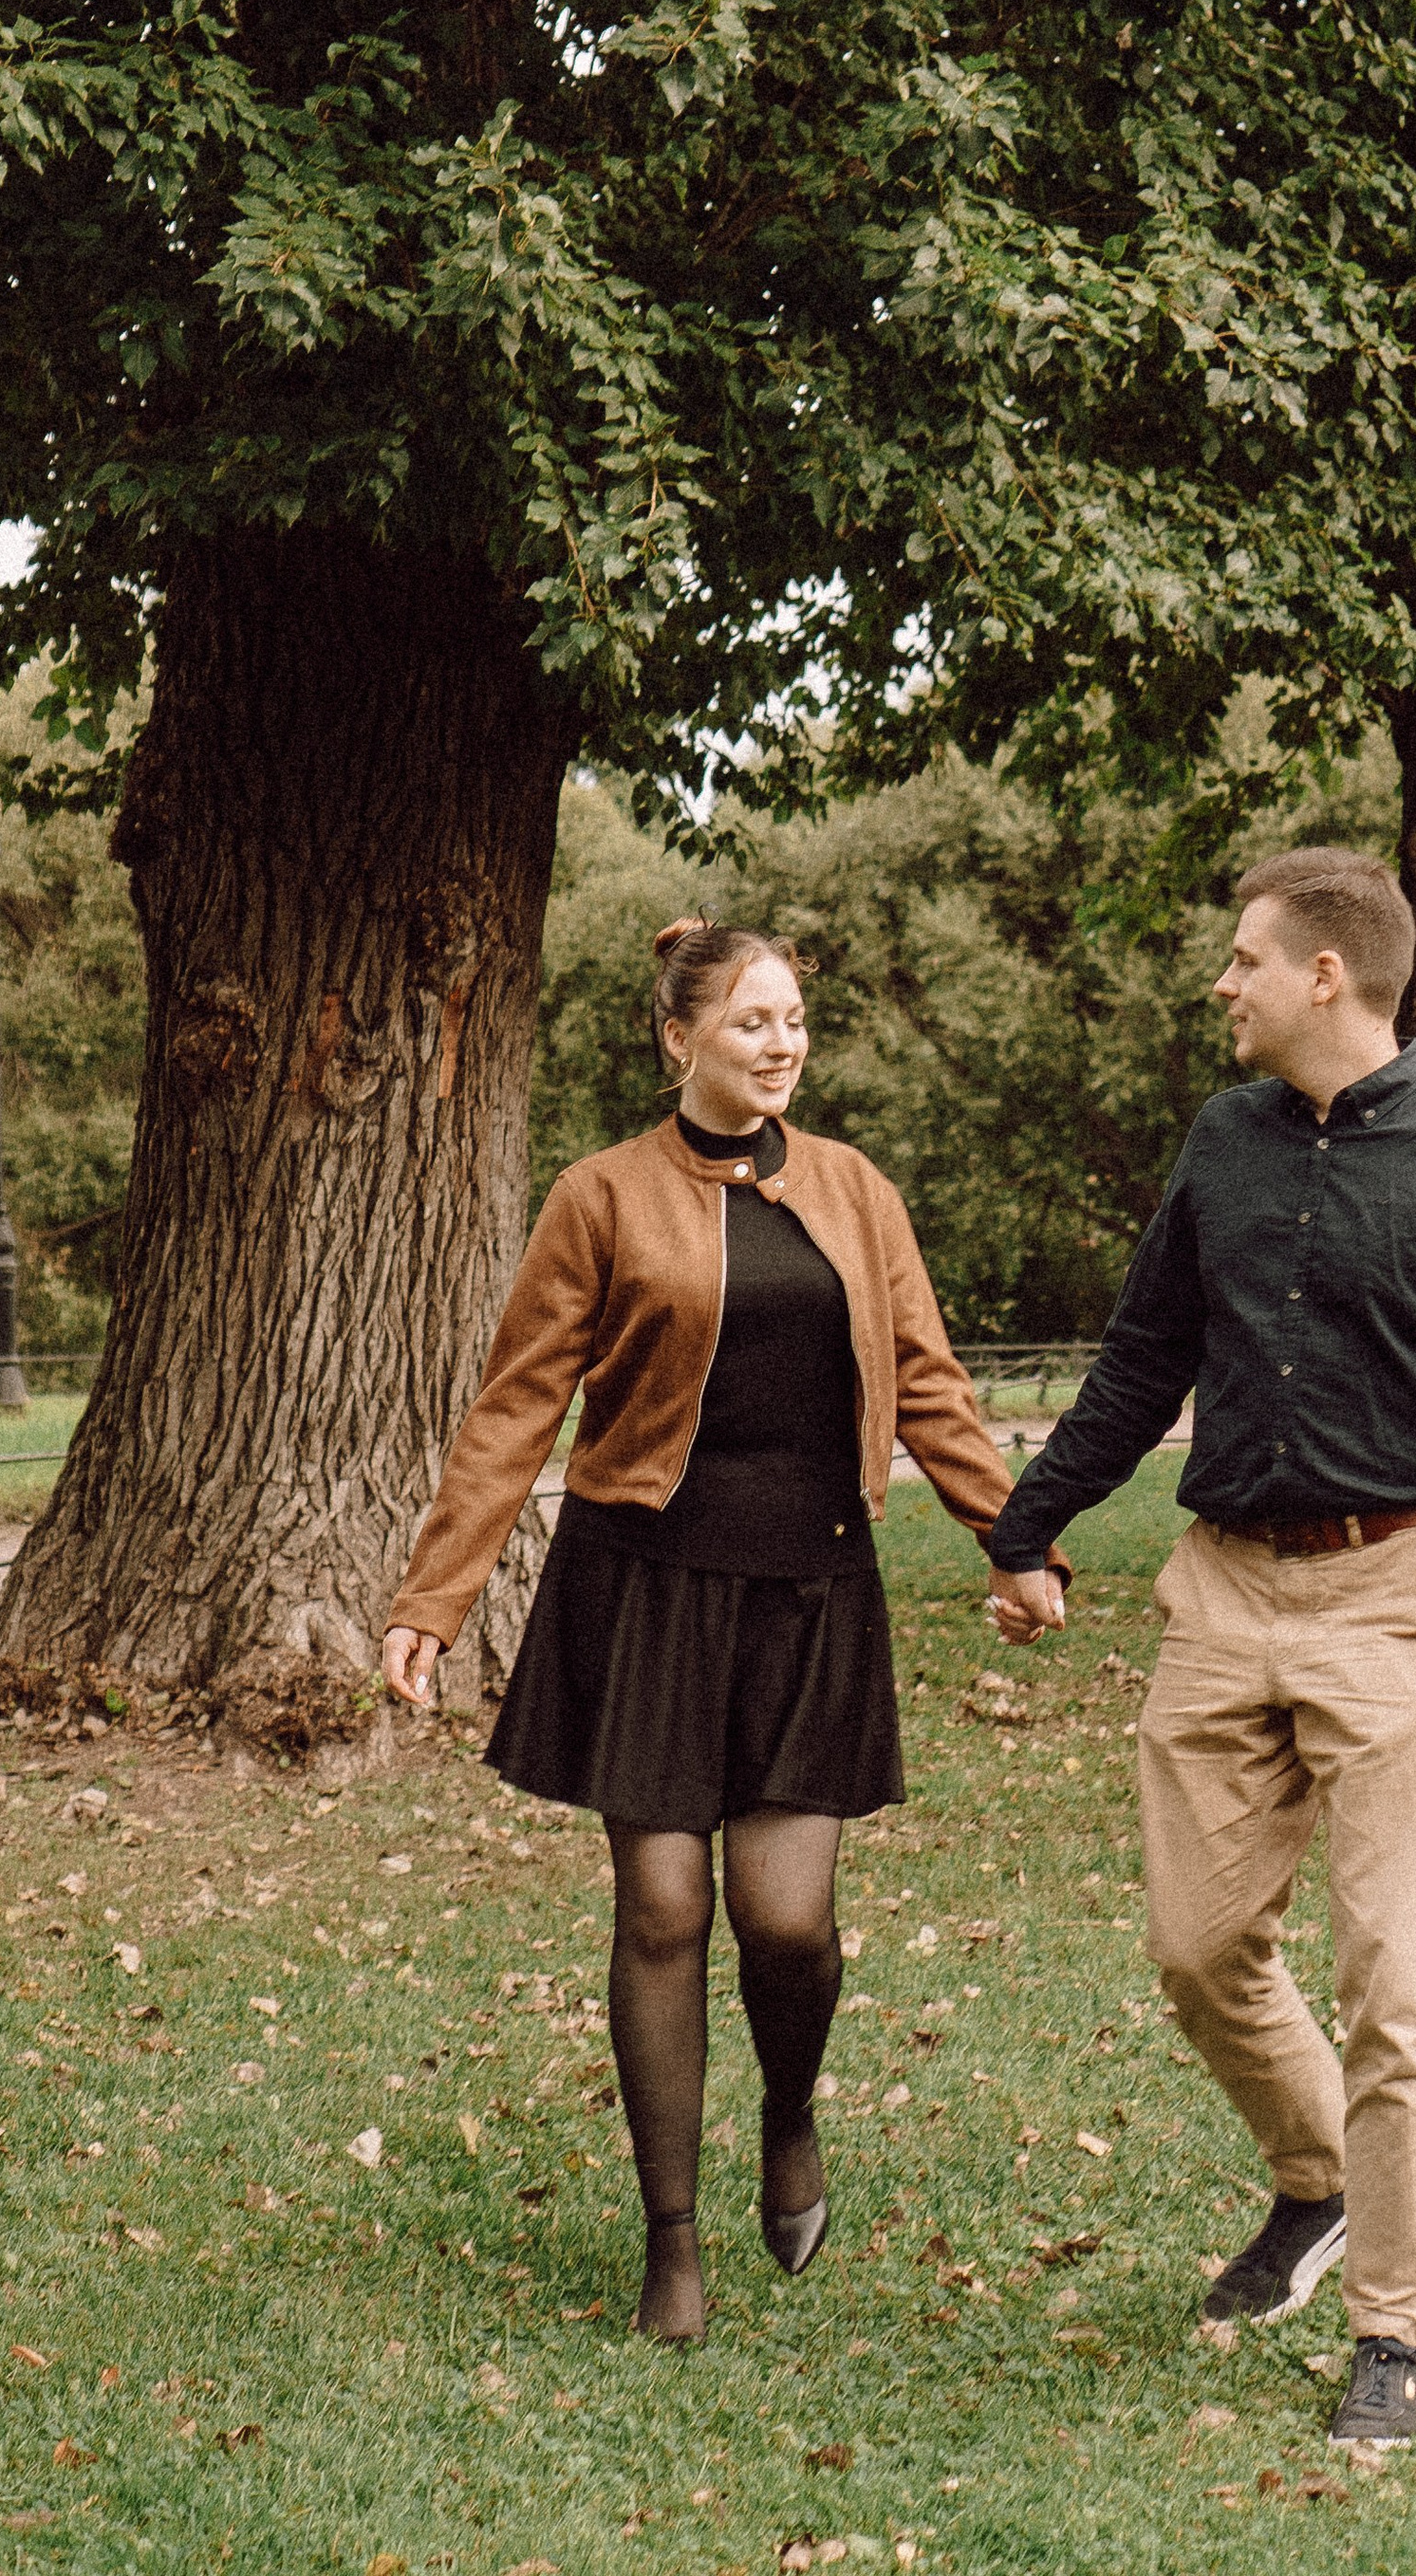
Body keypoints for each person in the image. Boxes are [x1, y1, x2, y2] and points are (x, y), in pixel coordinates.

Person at [381, 916, 1058, 2343]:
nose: (781, 1044)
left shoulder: (858, 1193)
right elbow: (518, 1408)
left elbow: (929, 1383)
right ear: (679, 1037)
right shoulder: (602, 1196)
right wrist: (434, 1603)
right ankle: (672, 2242)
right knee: (664, 1908)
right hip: (646, 1589)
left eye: (796, 1020)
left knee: (787, 1921)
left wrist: (1013, 1536)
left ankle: (793, 2115)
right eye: (752, 1021)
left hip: (810, 1589)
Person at [984, 845, 1416, 2451]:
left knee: (1398, 1980)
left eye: (1244, 957)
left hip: (1399, 1596)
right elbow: (1142, 1357)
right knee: (1197, 1951)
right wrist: (1028, 1521)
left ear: (1328, 974)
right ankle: (1317, 2185)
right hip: (1222, 1592)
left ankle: (1398, 2334)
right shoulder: (1223, 1143)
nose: (1224, 981)